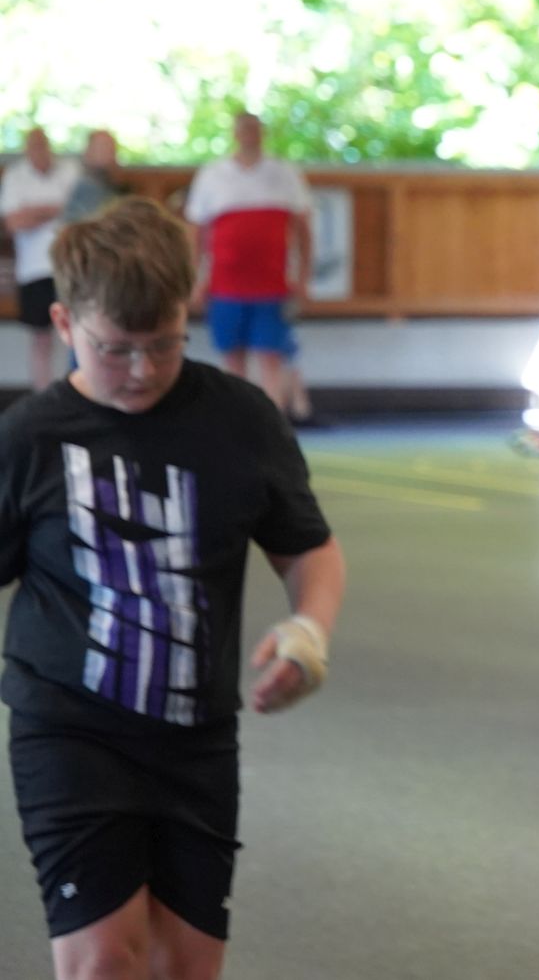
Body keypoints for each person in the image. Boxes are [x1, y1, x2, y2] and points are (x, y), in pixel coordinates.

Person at [0, 196, 345, 980]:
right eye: (115, 349)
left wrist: (309, 630)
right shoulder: (29, 439)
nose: (143, 369)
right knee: (102, 960)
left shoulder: (240, 419)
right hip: (70, 729)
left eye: (164, 344)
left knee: (186, 966)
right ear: (64, 324)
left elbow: (310, 549)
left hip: (196, 734)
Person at [184, 111, 312, 413]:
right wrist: (195, 279)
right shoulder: (212, 174)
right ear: (234, 134)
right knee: (232, 357)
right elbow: (196, 232)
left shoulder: (285, 173)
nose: (250, 135)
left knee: (271, 357)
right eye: (244, 129)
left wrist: (303, 277)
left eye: (255, 129)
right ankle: (237, 421)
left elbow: (304, 230)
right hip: (225, 286)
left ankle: (273, 421)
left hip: (271, 284)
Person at [2, 127, 81, 390]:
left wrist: (33, 212)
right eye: (33, 145)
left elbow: (78, 214)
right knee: (41, 337)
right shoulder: (16, 176)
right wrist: (53, 210)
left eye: (42, 144)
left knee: (78, 332)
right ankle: (43, 392)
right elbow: (15, 222)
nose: (39, 150)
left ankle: (77, 389)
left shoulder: (70, 171)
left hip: (70, 267)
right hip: (34, 270)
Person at [61, 130, 127, 224]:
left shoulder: (114, 184)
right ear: (88, 151)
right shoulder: (79, 180)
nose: (108, 153)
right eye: (101, 147)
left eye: (110, 148)